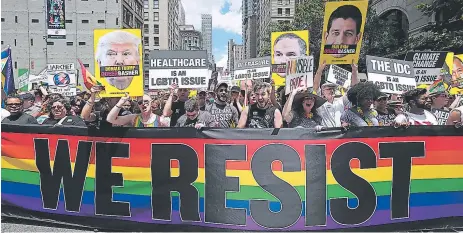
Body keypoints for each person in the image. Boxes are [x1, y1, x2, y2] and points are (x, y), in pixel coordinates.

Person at [313, 61, 359, 127]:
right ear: (322, 91)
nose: (331, 90)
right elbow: (316, 85)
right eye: (328, 89)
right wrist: (320, 70)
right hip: (326, 135)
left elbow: (353, 88)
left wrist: (354, 70)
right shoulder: (320, 103)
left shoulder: (341, 101)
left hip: (340, 134)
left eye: (333, 88)